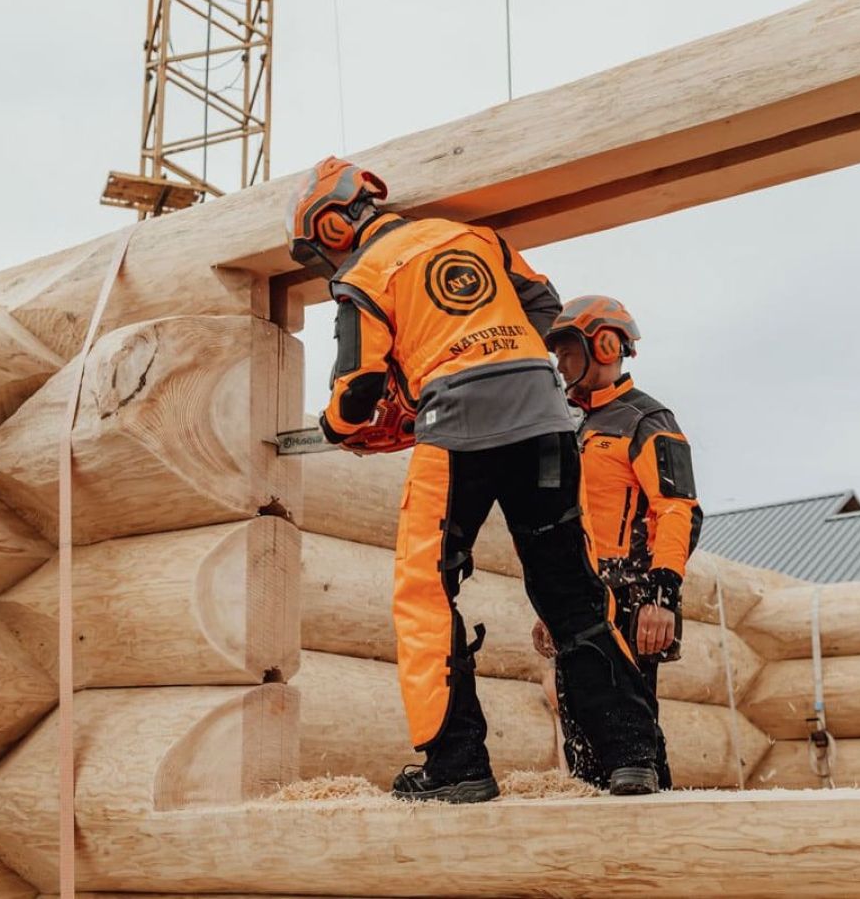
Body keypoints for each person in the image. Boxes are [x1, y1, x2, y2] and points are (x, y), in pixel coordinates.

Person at [286, 157, 666, 801]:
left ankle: (455, 764)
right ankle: (631, 755)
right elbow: (551, 316)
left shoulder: (362, 276)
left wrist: (342, 428)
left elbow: (357, 392)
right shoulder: (476, 238)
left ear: (328, 225)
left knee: (425, 591)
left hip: (457, 428)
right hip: (546, 420)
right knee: (570, 590)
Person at [534, 295, 703, 789]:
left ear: (605, 346)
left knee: (632, 738)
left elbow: (677, 509)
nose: (561, 365)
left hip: (632, 593)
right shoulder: (577, 427)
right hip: (580, 594)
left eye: (567, 353)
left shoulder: (646, 418)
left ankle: (656, 833)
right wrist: (552, 604)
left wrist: (661, 597)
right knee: (581, 733)